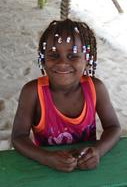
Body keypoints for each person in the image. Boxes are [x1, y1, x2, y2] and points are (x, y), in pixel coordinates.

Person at [11, 19, 121, 172]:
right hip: (46, 169)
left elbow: (114, 127)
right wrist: (47, 158)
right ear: (42, 59)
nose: (62, 63)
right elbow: (18, 137)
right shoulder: (32, 92)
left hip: (86, 168)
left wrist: (97, 152)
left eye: (72, 56)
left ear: (87, 60)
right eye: (54, 55)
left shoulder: (96, 88)